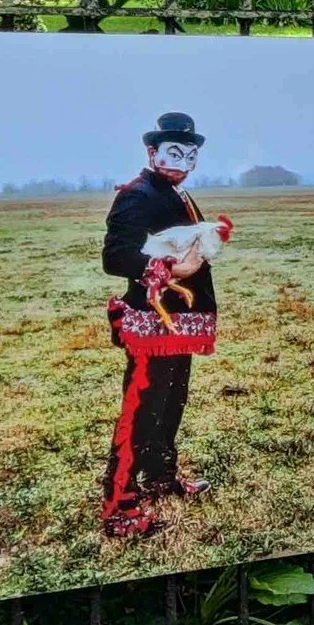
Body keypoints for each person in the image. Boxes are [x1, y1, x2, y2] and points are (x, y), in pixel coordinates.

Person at [101, 112, 232, 541]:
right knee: (139, 410)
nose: (182, 159)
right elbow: (115, 257)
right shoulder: (136, 195)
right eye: (172, 151)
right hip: (149, 323)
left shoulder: (179, 194)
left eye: (189, 152)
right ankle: (119, 502)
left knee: (171, 402)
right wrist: (172, 269)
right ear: (152, 152)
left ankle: (160, 477)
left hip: (178, 322)